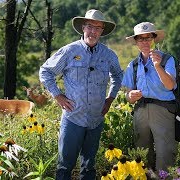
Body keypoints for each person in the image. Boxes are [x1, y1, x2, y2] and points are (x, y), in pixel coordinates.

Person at [39, 9, 123, 180]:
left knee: (89, 167)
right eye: (90, 27)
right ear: (83, 27)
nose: (93, 31)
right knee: (64, 167)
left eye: (98, 28)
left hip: (95, 119)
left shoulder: (108, 55)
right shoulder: (70, 51)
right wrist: (57, 95)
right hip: (73, 118)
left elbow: (118, 75)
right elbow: (45, 71)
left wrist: (110, 99)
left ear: (102, 31)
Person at [121, 22, 177, 172]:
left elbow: (170, 85)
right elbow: (128, 95)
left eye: (148, 38)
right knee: (142, 153)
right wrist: (130, 96)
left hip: (163, 110)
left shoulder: (167, 60)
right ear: (136, 42)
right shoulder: (132, 65)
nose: (145, 42)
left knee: (165, 153)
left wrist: (158, 66)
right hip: (140, 111)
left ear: (154, 39)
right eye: (141, 39)